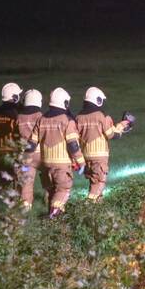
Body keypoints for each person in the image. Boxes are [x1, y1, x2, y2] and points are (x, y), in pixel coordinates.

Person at [75, 86, 135, 202]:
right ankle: (88, 206)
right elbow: (111, 134)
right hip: (99, 156)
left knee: (94, 181)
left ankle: (98, 210)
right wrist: (121, 126)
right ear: (98, 100)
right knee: (99, 183)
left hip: (86, 156)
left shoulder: (79, 117)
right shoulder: (100, 116)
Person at [33, 87, 86, 218]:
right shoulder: (67, 120)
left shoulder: (41, 119)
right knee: (63, 190)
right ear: (65, 103)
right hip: (61, 164)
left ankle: (52, 218)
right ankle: (54, 215)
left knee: (51, 191)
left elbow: (31, 143)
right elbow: (73, 144)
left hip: (46, 164)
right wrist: (81, 161)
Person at [16, 89, 47, 212]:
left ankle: (25, 208)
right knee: (48, 178)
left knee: (26, 183)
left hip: (25, 157)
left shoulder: (19, 118)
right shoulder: (41, 117)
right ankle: (50, 200)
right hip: (42, 155)